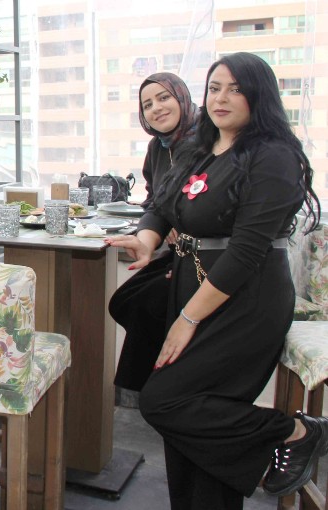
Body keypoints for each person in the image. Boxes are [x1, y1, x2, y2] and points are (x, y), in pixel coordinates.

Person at [106, 52, 323, 509]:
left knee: (166, 400)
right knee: (192, 427)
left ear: (259, 95)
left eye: (236, 89)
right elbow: (162, 205)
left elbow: (246, 252)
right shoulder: (200, 148)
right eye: (215, 88)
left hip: (246, 298)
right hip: (193, 286)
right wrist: (146, 239)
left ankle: (294, 431)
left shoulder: (273, 156)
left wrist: (187, 319)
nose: (221, 98)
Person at [109, 72, 198, 402]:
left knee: (150, 302)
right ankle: (149, 392)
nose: (156, 108)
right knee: (124, 300)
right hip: (178, 251)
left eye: (163, 98)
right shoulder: (158, 147)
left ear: (182, 97)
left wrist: (178, 224)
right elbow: (155, 203)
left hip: (206, 255)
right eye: (147, 105)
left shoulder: (208, 141)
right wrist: (146, 241)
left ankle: (152, 393)